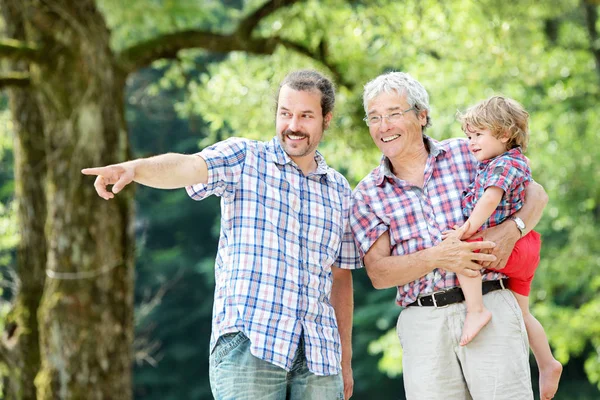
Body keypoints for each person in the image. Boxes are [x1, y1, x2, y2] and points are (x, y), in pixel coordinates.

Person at [82, 70, 359, 400]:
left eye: (305, 116)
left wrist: (345, 360)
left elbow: (340, 277)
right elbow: (186, 166)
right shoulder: (244, 158)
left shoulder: (339, 190)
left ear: (326, 120)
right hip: (251, 343)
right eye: (285, 113)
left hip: (320, 355)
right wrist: (134, 169)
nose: (293, 125)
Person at [351, 71, 548, 399]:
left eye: (393, 114)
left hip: (492, 304)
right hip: (425, 323)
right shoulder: (368, 193)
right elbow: (379, 273)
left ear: (422, 115)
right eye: (374, 117)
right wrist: (437, 256)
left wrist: (513, 230)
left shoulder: (469, 153)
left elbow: (536, 194)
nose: (383, 126)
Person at [441, 95, 561, 398]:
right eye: (469, 136)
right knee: (523, 314)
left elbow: (490, 199)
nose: (471, 142)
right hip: (527, 246)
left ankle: (477, 309)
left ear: (504, 134)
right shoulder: (515, 160)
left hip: (512, 246)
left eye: (478, 135)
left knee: (463, 253)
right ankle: (547, 363)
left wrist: (466, 229)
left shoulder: (502, 166)